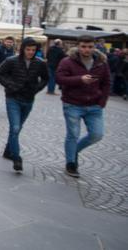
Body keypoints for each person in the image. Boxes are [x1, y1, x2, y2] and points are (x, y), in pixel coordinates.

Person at [55, 35, 110, 178]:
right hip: (72, 104)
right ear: (78, 47)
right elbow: (59, 78)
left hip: (94, 106)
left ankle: (74, 151)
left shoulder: (101, 63)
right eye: (84, 46)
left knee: (97, 135)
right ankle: (71, 163)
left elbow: (107, 83)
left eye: (90, 46)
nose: (87, 49)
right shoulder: (68, 61)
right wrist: (80, 79)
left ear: (95, 47)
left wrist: (102, 102)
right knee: (73, 134)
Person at [0, 37, 48, 173]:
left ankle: (8, 150)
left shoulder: (40, 63)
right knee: (15, 127)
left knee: (17, 128)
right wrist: (10, 85)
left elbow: (46, 78)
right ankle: (16, 157)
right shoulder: (11, 61)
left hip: (28, 99)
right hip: (13, 98)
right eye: (28, 49)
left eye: (33, 50)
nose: (30, 52)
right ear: (22, 49)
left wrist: (36, 89)